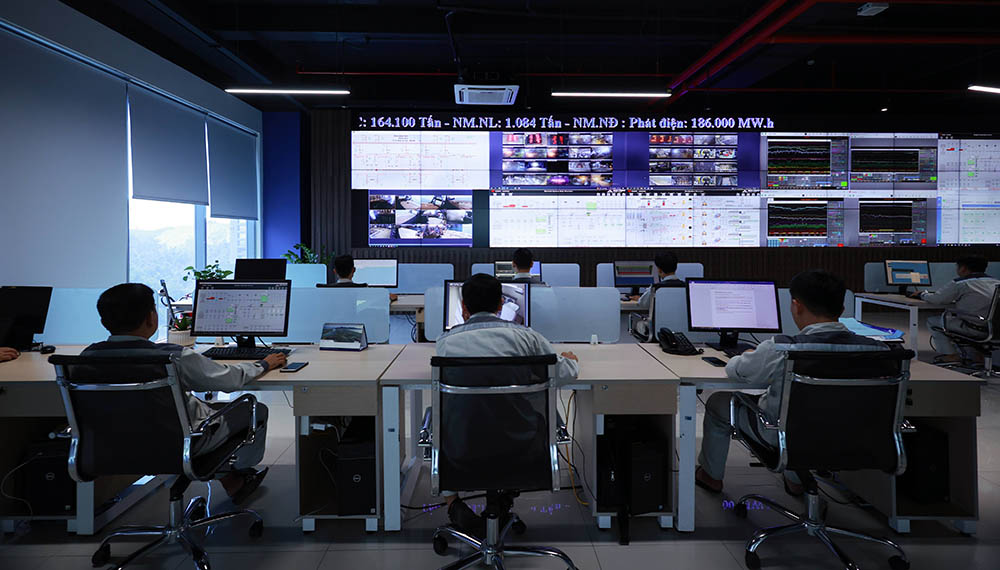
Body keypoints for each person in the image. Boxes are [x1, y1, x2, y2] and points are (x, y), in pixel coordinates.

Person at [82, 283, 286, 504]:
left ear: (104, 321)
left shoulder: (85, 359)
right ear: (151, 318)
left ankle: (230, 479)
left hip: (111, 447)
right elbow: (229, 380)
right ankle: (231, 473)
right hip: (177, 443)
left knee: (195, 409)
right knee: (254, 410)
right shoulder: (172, 357)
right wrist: (263, 364)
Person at [695, 270, 891, 496]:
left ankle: (711, 476)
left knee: (719, 402)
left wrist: (749, 355)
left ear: (796, 306)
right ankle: (796, 480)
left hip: (786, 435)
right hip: (856, 438)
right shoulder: (880, 351)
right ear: (842, 309)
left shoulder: (782, 348)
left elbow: (736, 371)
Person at [435, 273, 579, 536]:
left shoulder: (446, 343)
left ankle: (454, 504)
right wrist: (571, 359)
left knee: (446, 418)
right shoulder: (527, 338)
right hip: (521, 444)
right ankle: (503, 498)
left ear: (464, 307)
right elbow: (564, 373)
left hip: (463, 447)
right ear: (501, 304)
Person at [911, 255, 1000, 364]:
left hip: (973, 328)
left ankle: (951, 355)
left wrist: (922, 294)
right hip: (994, 329)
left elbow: (937, 299)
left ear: (963, 268)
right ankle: (977, 354)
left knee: (933, 321)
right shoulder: (996, 282)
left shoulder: (961, 283)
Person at [330, 254, 398, 301]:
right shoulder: (362, 288)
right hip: (356, 318)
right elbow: (390, 297)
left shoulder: (326, 290)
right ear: (354, 270)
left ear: (335, 271)